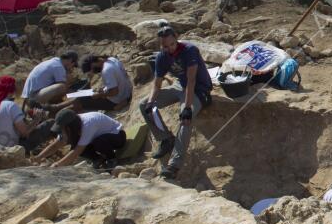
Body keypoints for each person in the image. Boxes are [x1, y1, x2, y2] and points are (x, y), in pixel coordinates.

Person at [140, 25, 213, 180]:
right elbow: (157, 83)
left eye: (172, 44)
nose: (170, 49)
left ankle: (174, 165)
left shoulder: (189, 50)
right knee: (143, 104)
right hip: (180, 85)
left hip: (198, 88)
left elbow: (191, 81)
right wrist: (151, 102)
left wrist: (187, 108)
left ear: (177, 38)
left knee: (185, 118)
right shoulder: (162, 56)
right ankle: (165, 139)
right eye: (165, 46)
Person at [34, 108, 126, 169]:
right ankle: (98, 159)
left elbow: (76, 152)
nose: (61, 132)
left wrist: (57, 165)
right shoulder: (73, 126)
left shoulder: (88, 124)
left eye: (63, 129)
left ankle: (112, 159)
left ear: (70, 127)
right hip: (99, 138)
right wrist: (38, 158)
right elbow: (55, 145)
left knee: (98, 142)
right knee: (76, 143)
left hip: (117, 136)